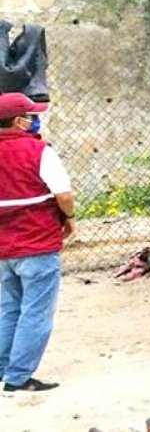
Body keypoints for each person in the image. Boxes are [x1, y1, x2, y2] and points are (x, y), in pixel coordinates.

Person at [0, 93, 75, 392]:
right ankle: (18, 378)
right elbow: (64, 195)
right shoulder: (40, 150)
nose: (35, 119)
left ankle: (3, 368)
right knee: (36, 311)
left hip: (4, 248)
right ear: (19, 121)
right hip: (37, 244)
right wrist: (69, 218)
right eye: (31, 115)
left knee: (9, 307)